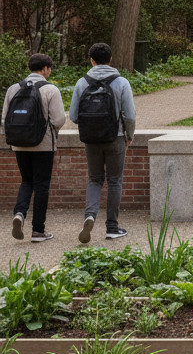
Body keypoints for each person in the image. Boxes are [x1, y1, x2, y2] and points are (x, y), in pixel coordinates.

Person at [69, 42, 137, 244]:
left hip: (91, 140)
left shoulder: (82, 82)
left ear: (91, 60)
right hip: (115, 138)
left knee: (95, 179)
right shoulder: (121, 82)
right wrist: (129, 135)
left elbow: (73, 115)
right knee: (115, 180)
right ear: (111, 59)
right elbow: (130, 115)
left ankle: (89, 216)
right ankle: (112, 227)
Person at [3, 53, 66, 242]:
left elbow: (5, 119)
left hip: (19, 145)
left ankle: (19, 213)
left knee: (26, 181)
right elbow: (59, 119)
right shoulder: (50, 89)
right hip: (43, 144)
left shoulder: (13, 89)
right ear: (46, 69)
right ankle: (38, 230)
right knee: (42, 185)